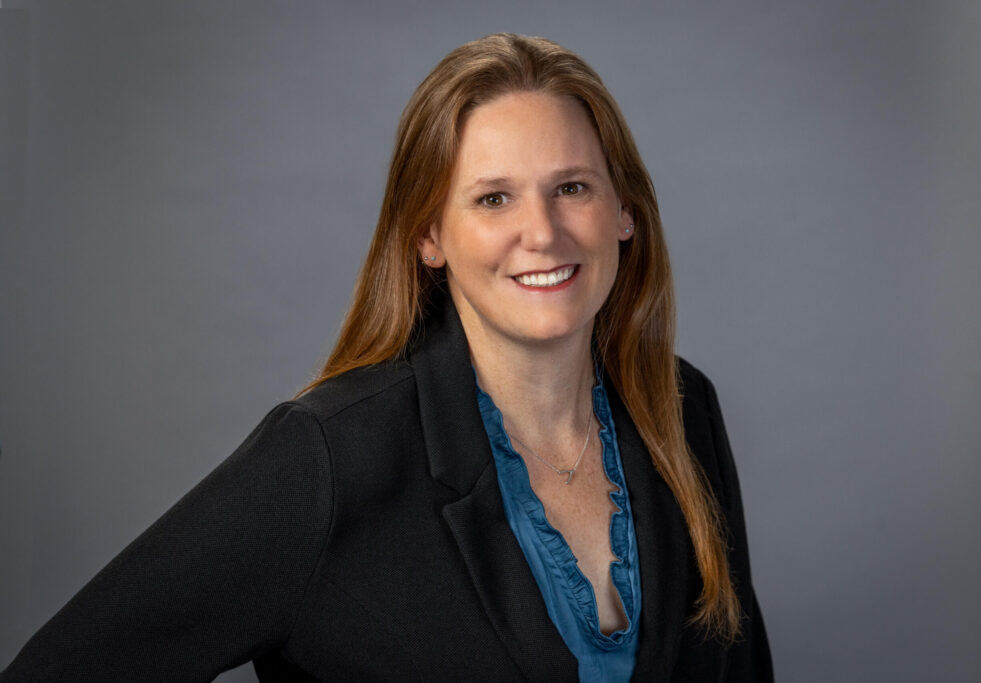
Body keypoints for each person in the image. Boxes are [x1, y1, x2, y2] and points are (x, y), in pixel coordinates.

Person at [1, 33, 772, 682]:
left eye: (572, 186)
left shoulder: (680, 407)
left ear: (624, 212)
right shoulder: (331, 458)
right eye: (493, 198)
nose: (542, 232)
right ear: (429, 236)